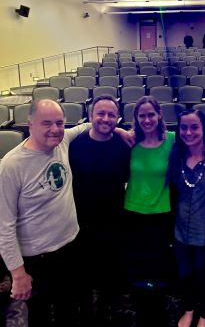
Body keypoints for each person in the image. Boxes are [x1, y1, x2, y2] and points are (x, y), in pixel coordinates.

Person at [0, 99, 133, 327]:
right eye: (46, 123)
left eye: (60, 123)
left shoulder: (62, 143)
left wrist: (117, 129)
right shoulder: (11, 166)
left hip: (70, 246)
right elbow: (4, 225)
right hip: (37, 257)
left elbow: (88, 126)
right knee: (40, 313)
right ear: (29, 124)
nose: (54, 129)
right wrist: (18, 273)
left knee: (69, 307)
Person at [69, 95, 131, 326]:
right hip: (81, 222)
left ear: (118, 117)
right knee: (82, 276)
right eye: (100, 113)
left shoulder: (124, 145)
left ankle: (107, 310)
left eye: (111, 114)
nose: (106, 119)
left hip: (114, 220)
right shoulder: (74, 146)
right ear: (91, 115)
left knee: (111, 275)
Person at [168, 110, 205, 327]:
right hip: (179, 231)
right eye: (183, 127)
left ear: (204, 128)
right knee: (185, 273)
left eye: (194, 127)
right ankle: (189, 308)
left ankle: (204, 313)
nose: (188, 132)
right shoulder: (175, 156)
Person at [123, 95, 175, 326]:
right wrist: (118, 131)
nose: (147, 120)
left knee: (159, 265)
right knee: (138, 264)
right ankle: (141, 308)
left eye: (150, 114)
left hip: (161, 212)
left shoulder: (172, 140)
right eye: (141, 116)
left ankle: (158, 309)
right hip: (132, 212)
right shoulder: (129, 142)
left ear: (159, 115)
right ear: (136, 118)